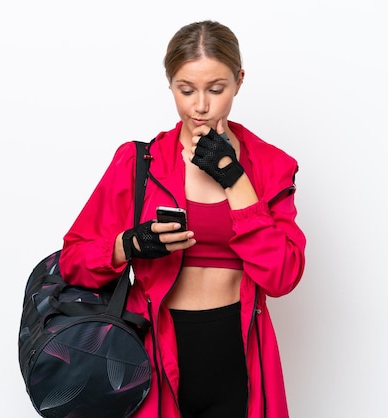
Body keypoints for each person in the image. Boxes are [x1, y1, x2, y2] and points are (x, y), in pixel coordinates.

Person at [60, 20, 306, 418]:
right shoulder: (139, 163)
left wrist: (236, 181)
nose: (200, 106)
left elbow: (282, 276)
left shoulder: (271, 166)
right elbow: (74, 262)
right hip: (154, 355)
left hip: (240, 352)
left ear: (239, 81)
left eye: (216, 89)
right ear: (170, 83)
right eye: (186, 90)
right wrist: (129, 244)